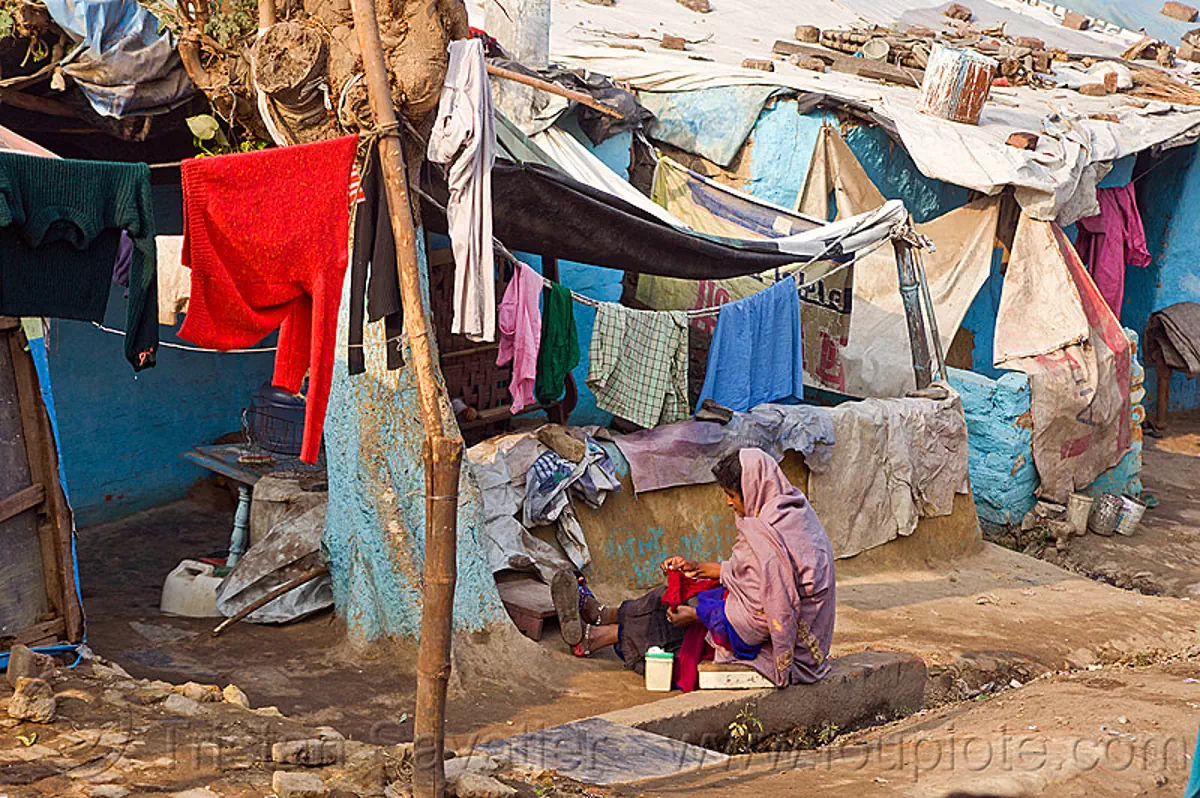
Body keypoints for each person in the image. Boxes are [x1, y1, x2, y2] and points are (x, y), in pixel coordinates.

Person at [552, 447, 836, 687]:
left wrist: (698, 616)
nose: (728, 503)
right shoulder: (787, 511)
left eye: (732, 495)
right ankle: (603, 615)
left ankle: (597, 635)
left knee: (678, 621)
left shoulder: (768, 532)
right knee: (682, 592)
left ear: (752, 489)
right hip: (769, 617)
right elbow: (750, 576)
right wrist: (696, 568)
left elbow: (762, 620)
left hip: (784, 642)